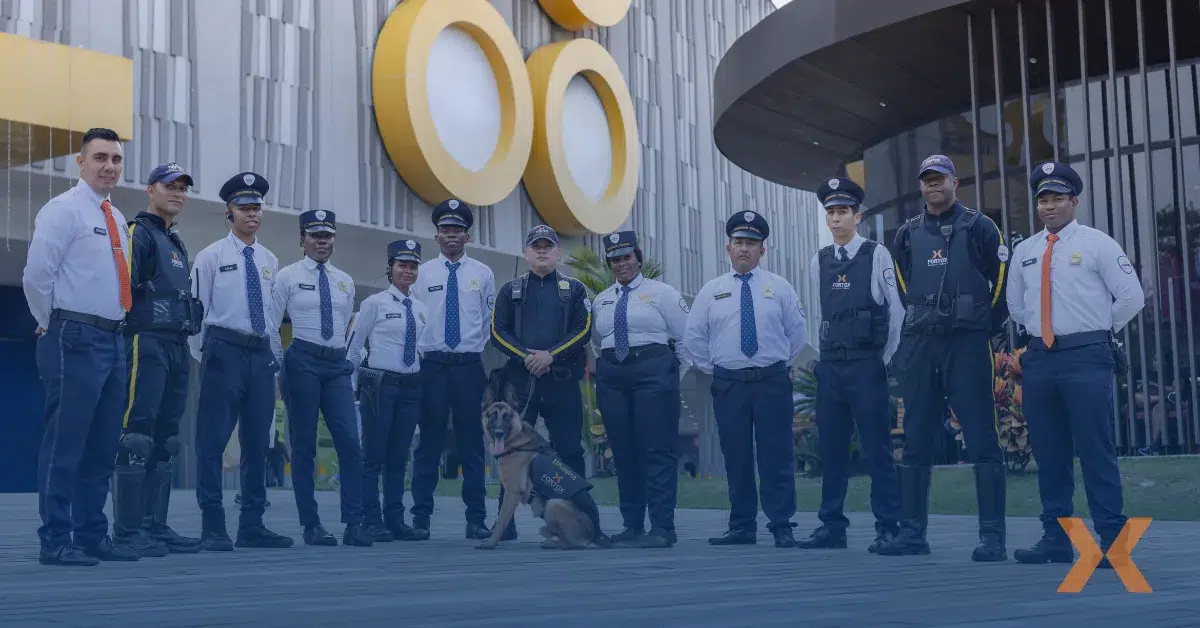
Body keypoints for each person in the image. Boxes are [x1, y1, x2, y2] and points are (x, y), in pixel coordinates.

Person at [1007, 162, 1145, 567]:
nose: (1049, 207)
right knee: (1049, 453)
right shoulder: (1026, 251)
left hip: (1087, 357)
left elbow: (1131, 297)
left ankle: (1113, 543)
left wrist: (1100, 328)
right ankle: (1055, 538)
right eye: (1042, 200)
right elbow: (1016, 305)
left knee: (1094, 450)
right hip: (1040, 359)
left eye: (1057, 199)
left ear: (1074, 201)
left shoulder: (1098, 243)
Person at [877, 154, 1009, 561]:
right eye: (927, 180)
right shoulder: (905, 233)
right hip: (921, 345)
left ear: (955, 181)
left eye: (940, 178)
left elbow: (1001, 286)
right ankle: (912, 534)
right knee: (915, 437)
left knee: (982, 438)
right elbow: (902, 287)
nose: (934, 185)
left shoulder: (981, 227)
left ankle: (992, 538)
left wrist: (979, 328)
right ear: (921, 186)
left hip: (968, 345)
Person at [22, 128, 141, 565]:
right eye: (101, 157)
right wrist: (48, 323)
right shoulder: (63, 211)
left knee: (102, 444)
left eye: (116, 159)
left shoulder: (115, 216)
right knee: (66, 442)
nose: (110, 166)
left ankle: (92, 534)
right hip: (73, 337)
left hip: (112, 338)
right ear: (81, 161)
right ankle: (55, 538)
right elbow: (37, 275)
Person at [684, 211, 807, 548]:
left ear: (762, 251)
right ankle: (741, 526)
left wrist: (774, 364)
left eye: (751, 243)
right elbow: (694, 337)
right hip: (729, 384)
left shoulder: (779, 287)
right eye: (738, 242)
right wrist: (721, 368)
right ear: (728, 248)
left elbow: (797, 335)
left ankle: (782, 525)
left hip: (771, 382)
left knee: (776, 454)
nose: (744, 249)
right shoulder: (712, 291)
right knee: (735, 454)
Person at [189, 172, 293, 551]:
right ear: (228, 213)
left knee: (257, 441)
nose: (252, 215)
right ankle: (212, 525)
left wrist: (270, 357)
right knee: (212, 440)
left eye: (256, 208)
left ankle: (252, 523)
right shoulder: (210, 256)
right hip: (223, 351)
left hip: (259, 354)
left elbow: (268, 315)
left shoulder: (269, 260)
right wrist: (209, 356)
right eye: (243, 208)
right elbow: (195, 318)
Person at [798, 177, 903, 553]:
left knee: (878, 450)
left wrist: (881, 361)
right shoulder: (820, 260)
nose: (836, 219)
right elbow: (818, 313)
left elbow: (896, 313)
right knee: (832, 449)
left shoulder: (876, 254)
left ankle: (888, 527)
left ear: (857, 216)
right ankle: (832, 526)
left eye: (843, 211)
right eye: (830, 212)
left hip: (865, 365)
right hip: (832, 368)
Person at [112, 163, 205, 557]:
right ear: (151, 190)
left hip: (177, 346)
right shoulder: (140, 234)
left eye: (183, 188)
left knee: (166, 439)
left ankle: (155, 526)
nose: (178, 193)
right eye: (170, 186)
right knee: (137, 434)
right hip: (145, 342)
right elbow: (123, 289)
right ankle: (129, 532)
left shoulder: (176, 242)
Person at [489, 224, 597, 542]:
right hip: (521, 385)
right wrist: (526, 356)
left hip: (561, 382)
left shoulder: (574, 290)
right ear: (525, 253)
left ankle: (582, 517)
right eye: (535, 246)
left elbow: (583, 330)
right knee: (511, 451)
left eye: (547, 246)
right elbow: (497, 332)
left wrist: (551, 356)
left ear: (557, 253)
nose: (541, 250)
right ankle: (504, 524)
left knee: (569, 451)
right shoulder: (510, 290)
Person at [273, 210, 372, 547]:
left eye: (327, 236)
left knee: (351, 442)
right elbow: (273, 326)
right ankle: (311, 524)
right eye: (314, 235)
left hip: (336, 365)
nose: (321, 242)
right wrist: (277, 366)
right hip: (302, 360)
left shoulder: (345, 281)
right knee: (303, 446)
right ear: (302, 240)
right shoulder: (286, 276)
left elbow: (346, 327)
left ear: (334, 241)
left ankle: (354, 523)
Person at [590, 230, 692, 548]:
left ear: (638, 257)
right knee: (623, 451)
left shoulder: (662, 293)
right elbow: (597, 343)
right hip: (613, 377)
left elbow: (686, 338)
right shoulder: (602, 299)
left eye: (627, 257)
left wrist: (672, 375)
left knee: (656, 450)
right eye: (615, 259)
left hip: (654, 374)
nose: (622, 264)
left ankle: (662, 527)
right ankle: (632, 525)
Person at [408, 199, 495, 541]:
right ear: (437, 235)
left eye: (458, 230)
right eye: (446, 230)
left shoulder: (483, 274)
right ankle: (420, 518)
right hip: (432, 366)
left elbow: (488, 321)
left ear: (467, 236)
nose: (452, 235)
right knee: (428, 443)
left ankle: (476, 519)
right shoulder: (422, 272)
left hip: (468, 368)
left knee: (472, 445)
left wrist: (469, 348)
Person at [347, 239, 428, 542]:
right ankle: (370, 519)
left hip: (410, 386)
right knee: (374, 455)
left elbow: (424, 348)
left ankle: (395, 519)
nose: (407, 271)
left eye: (412, 266)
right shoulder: (374, 303)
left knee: (399, 456)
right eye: (402, 265)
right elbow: (354, 347)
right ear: (390, 268)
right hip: (379, 386)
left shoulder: (420, 309)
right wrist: (352, 389)